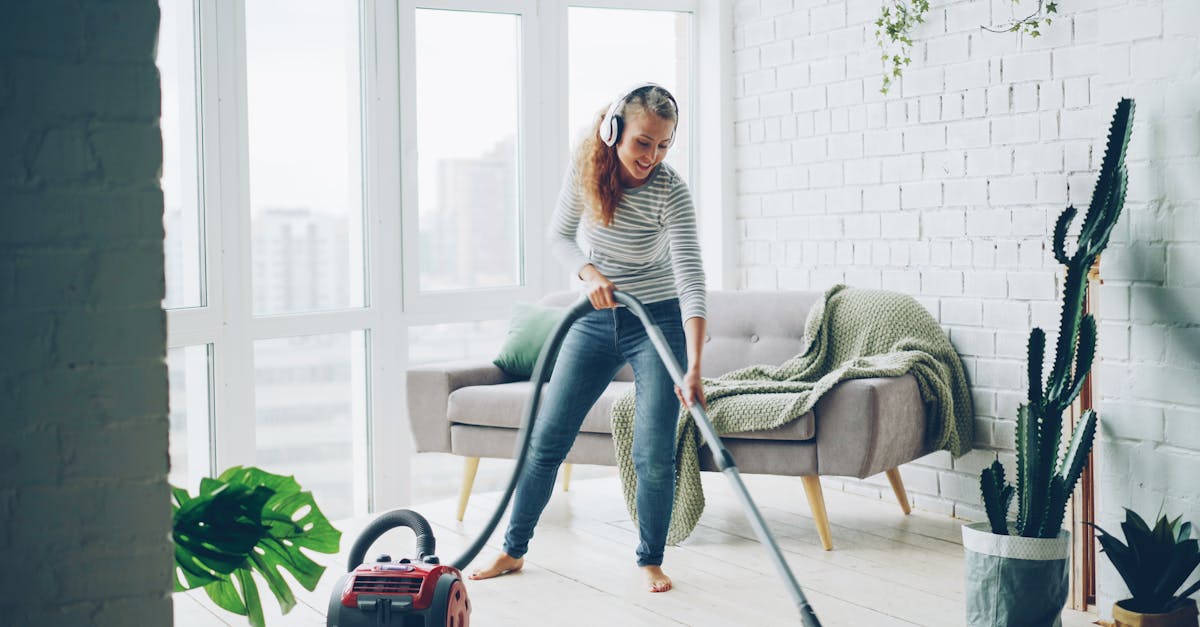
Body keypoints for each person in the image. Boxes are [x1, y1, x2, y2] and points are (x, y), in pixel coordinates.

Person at [469, 83, 708, 593]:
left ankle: (650, 558)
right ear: (614, 130)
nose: (652, 156)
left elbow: (690, 279)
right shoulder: (587, 173)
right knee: (547, 439)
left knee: (653, 452)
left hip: (656, 323)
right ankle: (513, 549)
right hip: (595, 319)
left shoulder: (671, 191)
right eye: (644, 142)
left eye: (664, 145)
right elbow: (559, 235)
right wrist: (589, 271)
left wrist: (693, 367)